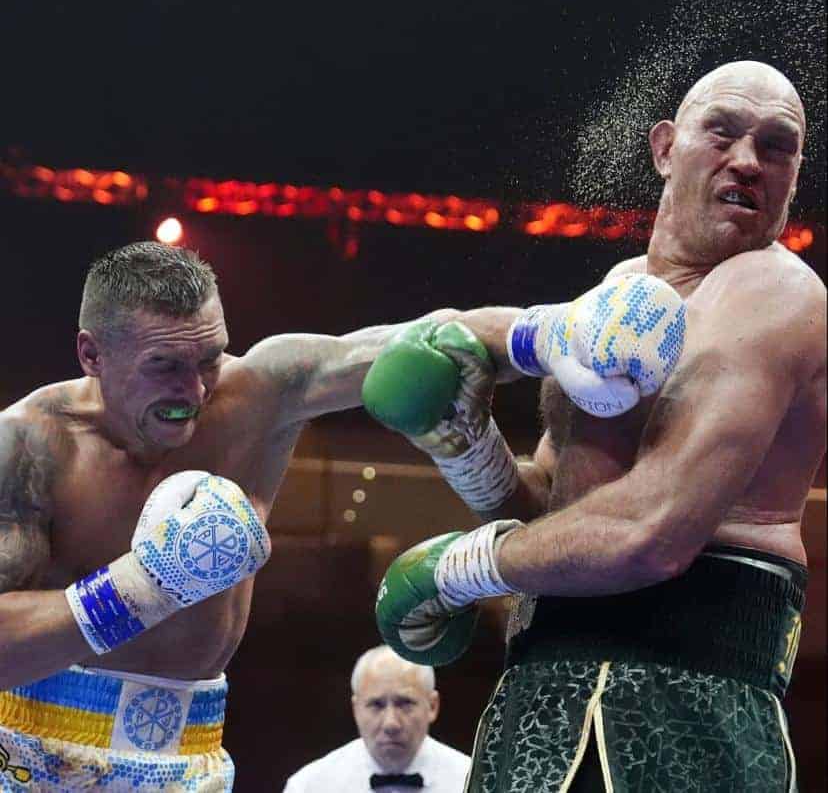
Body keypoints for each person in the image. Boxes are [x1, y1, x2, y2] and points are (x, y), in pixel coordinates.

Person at [369, 61, 826, 791]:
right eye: (724, 132)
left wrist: (451, 570)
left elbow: (651, 533)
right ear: (665, 148)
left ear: (795, 177)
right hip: (542, 693)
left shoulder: (773, 289)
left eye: (777, 146)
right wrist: (465, 445)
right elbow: (557, 509)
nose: (748, 159)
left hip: (690, 701)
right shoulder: (614, 297)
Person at [0, 242, 508, 792]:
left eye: (209, 359)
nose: (193, 391)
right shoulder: (29, 445)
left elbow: (434, 340)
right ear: (92, 355)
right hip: (34, 753)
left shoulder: (260, 395)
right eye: (165, 366)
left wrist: (558, 334)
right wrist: (143, 586)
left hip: (193, 757)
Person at [283, 645, 470, 792]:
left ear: (432, 706)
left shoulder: (475, 782)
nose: (391, 723)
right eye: (376, 705)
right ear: (355, 709)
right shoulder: (309, 787)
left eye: (405, 703)